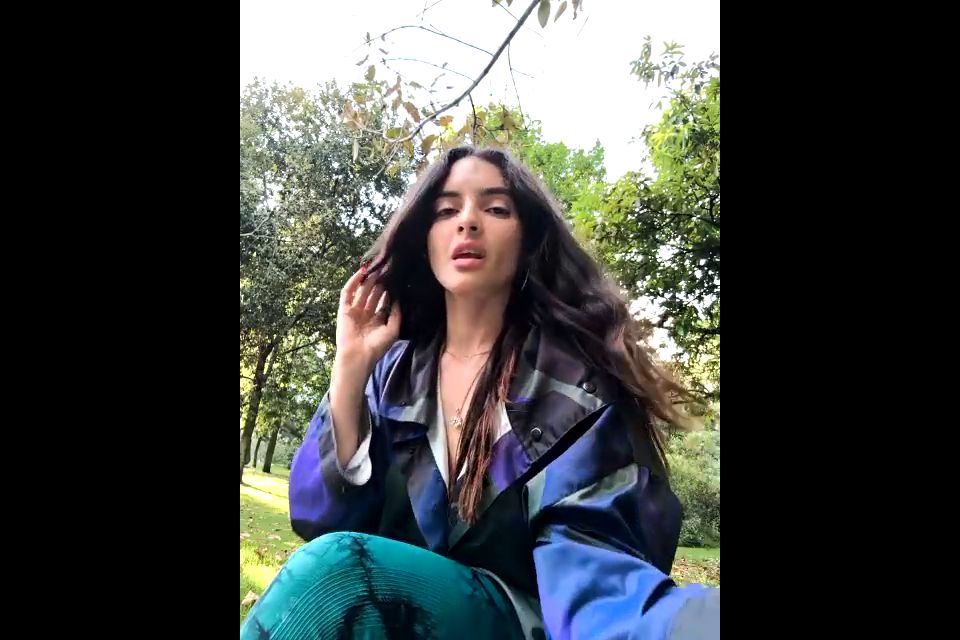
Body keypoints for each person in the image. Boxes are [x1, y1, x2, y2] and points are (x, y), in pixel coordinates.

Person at [240, 146, 719, 640]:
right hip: (397, 622)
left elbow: (599, 587)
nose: (467, 221)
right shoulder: (392, 374)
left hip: (524, 627)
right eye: (446, 210)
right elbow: (319, 520)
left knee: (338, 572)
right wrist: (350, 368)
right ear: (425, 239)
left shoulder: (575, 389)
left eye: (495, 208)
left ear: (527, 240)